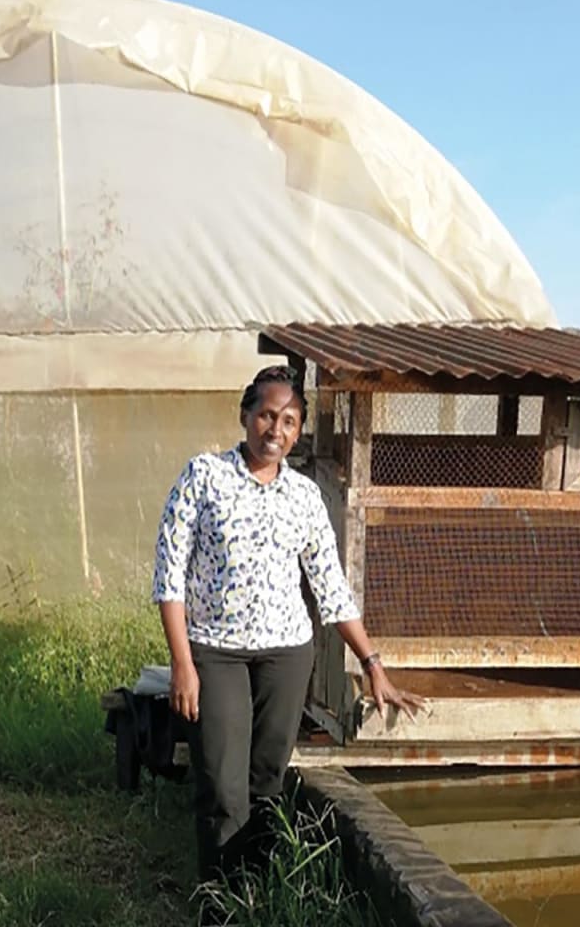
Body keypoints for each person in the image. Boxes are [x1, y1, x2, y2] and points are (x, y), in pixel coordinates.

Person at [152, 364, 424, 880]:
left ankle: (257, 887)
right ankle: (222, 902)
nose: (276, 430)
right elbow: (169, 573)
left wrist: (372, 664)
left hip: (287, 654)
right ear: (245, 415)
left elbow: (330, 584)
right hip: (216, 650)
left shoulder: (303, 495)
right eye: (267, 416)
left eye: (291, 421)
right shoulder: (203, 477)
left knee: (267, 777)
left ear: (299, 431)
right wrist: (182, 663)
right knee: (220, 781)